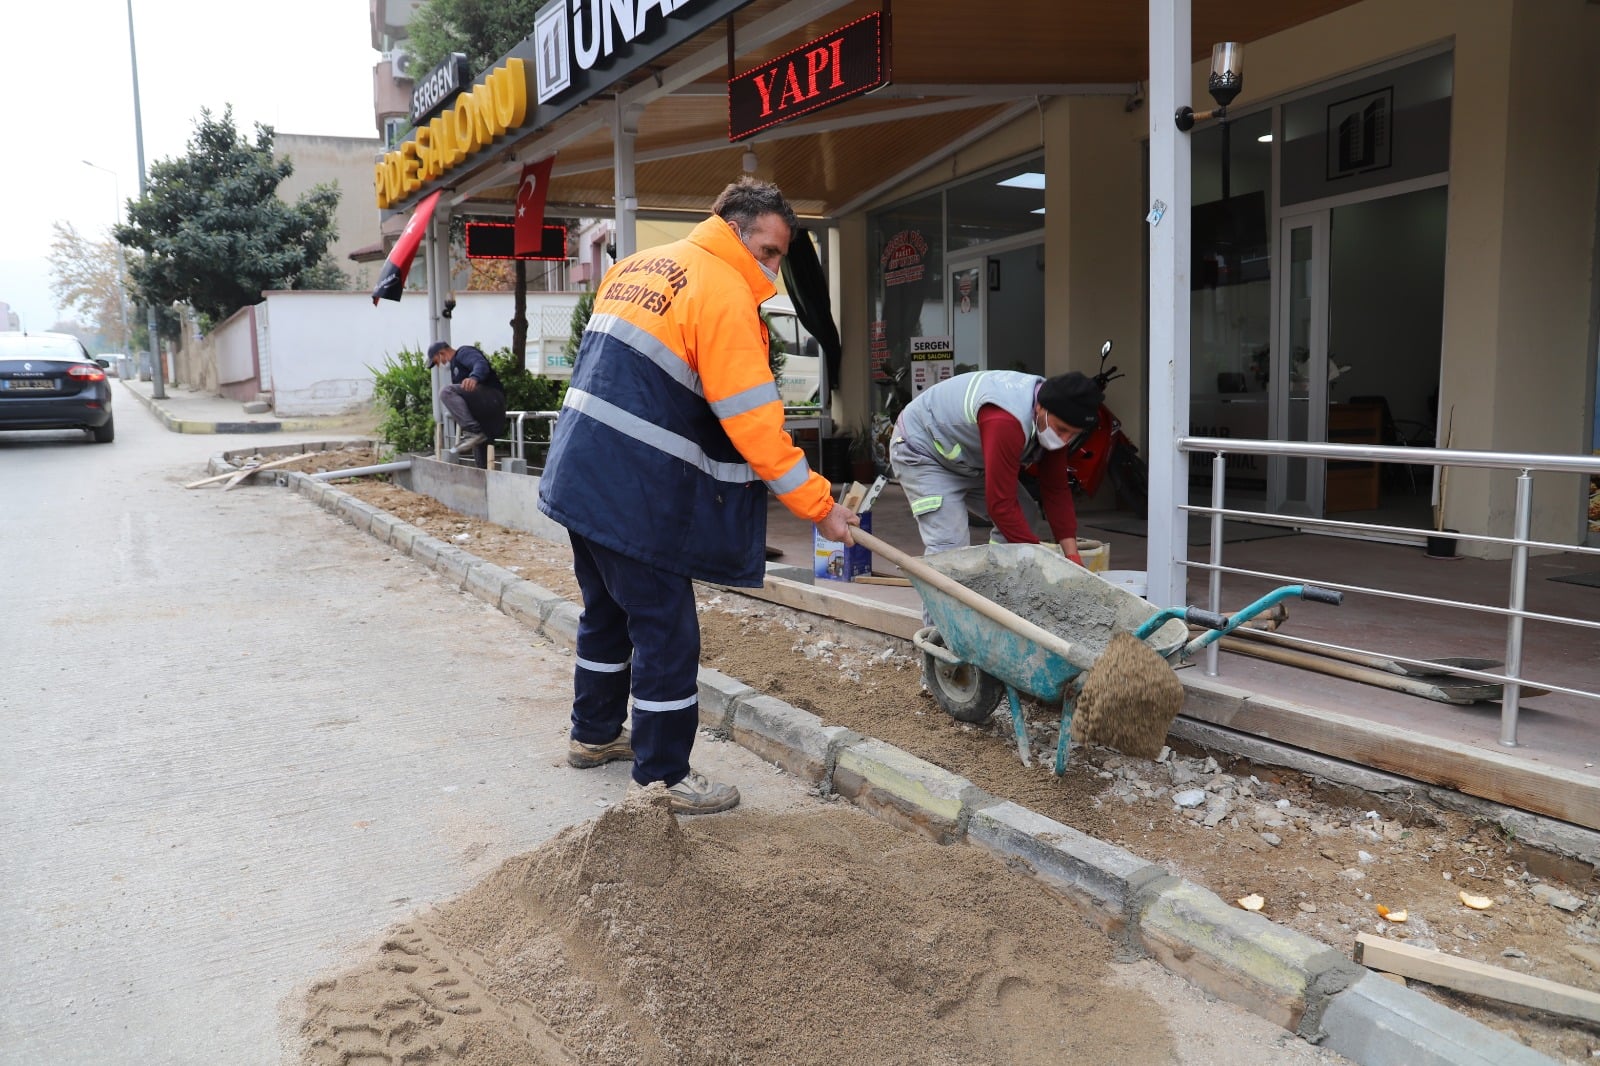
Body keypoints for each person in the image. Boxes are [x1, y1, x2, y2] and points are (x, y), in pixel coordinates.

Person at [537, 176, 858, 815]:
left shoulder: (638, 267)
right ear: (734, 231)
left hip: (582, 473)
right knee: (667, 632)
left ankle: (594, 734)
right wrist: (822, 508)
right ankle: (662, 778)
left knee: (606, 612)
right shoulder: (723, 292)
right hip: (634, 491)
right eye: (767, 252)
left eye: (779, 257)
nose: (772, 272)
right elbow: (755, 424)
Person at [889, 368, 1103, 564]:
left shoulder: (1056, 412)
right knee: (950, 548)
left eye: (1073, 434)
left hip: (968, 459)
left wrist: (1072, 555)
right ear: (1040, 408)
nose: (1064, 439)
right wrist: (1041, 561)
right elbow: (1000, 504)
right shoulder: (1006, 420)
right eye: (1061, 429)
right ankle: (942, 607)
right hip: (923, 450)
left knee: (1025, 516)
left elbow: (1056, 490)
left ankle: (997, 587)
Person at [427, 341, 507, 465]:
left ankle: (473, 431)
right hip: (483, 416)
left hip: (492, 398)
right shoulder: (455, 370)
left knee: (446, 392)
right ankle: (476, 435)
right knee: (481, 459)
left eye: (437, 361)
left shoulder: (463, 353)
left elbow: (480, 363)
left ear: (441, 353)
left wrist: (474, 377)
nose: (439, 365)